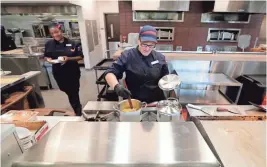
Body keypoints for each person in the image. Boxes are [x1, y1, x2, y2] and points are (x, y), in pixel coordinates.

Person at [105, 25, 169, 103]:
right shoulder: (127, 56)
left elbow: (166, 79)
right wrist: (116, 86)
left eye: (151, 45)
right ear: (138, 41)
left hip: (156, 102)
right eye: (144, 44)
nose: (147, 48)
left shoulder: (160, 57)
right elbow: (109, 73)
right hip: (134, 102)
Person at [44, 23, 83, 116]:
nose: (55, 35)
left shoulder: (73, 43)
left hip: (72, 72)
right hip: (58, 73)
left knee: (73, 92)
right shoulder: (49, 44)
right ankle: (76, 105)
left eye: (56, 32)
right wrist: (48, 60)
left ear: (61, 31)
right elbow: (46, 56)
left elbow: (80, 56)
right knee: (66, 90)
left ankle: (78, 111)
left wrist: (68, 59)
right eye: (52, 33)